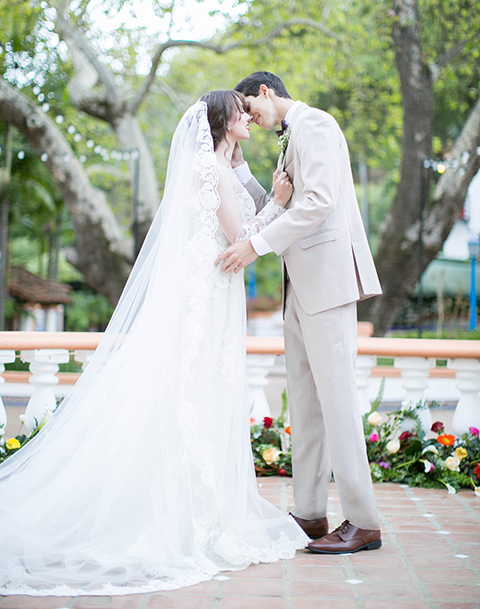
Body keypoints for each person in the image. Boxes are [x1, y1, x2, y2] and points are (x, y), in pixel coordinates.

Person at [0, 90, 308, 597]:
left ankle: (189, 504)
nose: (249, 117)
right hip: (207, 294)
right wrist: (276, 205)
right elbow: (239, 234)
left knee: (192, 390)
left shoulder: (216, 165)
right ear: (223, 122)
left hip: (205, 288)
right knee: (196, 391)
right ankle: (196, 514)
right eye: (240, 111)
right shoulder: (213, 167)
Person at [218, 72, 383, 554]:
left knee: (338, 403)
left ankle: (364, 520)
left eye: (250, 108)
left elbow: (318, 202)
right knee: (307, 405)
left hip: (328, 284)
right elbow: (278, 202)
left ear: (265, 91)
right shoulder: (290, 138)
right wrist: (237, 166)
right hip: (300, 289)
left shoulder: (316, 126)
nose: (250, 118)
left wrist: (256, 247)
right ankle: (310, 513)